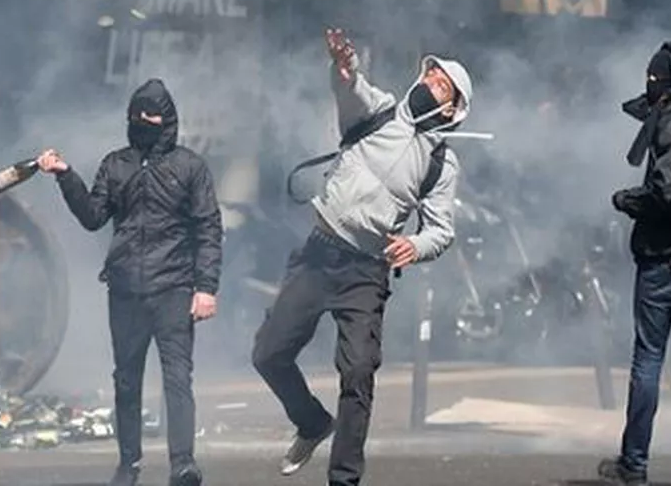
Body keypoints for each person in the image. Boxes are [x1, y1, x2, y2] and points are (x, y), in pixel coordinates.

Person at [251, 29, 473, 486]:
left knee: (358, 373)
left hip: (366, 272)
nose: (431, 80)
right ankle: (312, 423)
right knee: (268, 353)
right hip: (319, 251)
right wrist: (345, 67)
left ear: (451, 108)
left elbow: (441, 230)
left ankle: (344, 479)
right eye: (430, 73)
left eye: (441, 84)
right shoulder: (384, 110)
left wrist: (416, 246)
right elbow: (353, 91)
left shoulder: (442, 164)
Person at [36, 78, 222, 486]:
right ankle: (129, 463)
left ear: (168, 118)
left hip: (174, 287)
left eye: (153, 114)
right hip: (125, 291)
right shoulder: (115, 163)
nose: (145, 120)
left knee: (177, 378)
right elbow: (92, 217)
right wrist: (66, 176)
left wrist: (206, 287)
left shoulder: (190, 166)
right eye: (138, 113)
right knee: (126, 379)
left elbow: (209, 227)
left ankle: (183, 464)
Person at [599, 37, 671, 486]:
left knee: (648, 360)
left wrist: (629, 200)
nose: (650, 83)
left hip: (666, 261)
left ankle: (635, 462)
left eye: (657, 76)